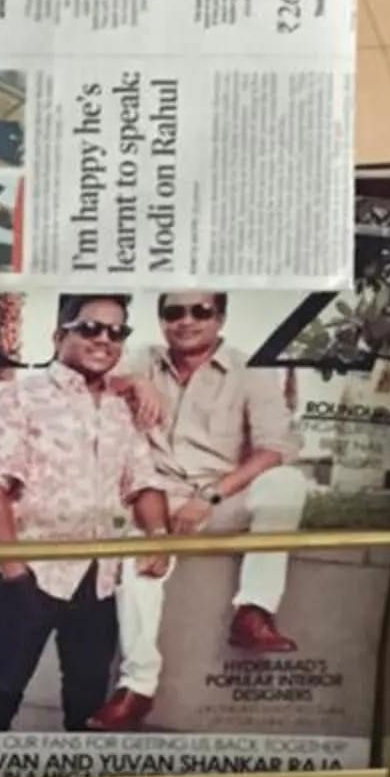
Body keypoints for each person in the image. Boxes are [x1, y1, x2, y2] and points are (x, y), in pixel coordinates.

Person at [94, 290, 310, 730]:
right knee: (137, 562)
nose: (186, 321)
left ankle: (253, 612)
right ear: (161, 320)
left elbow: (277, 446)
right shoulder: (142, 359)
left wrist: (211, 494)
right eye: (173, 312)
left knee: (287, 483)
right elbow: (89, 375)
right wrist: (136, 382)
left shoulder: (249, 370)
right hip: (155, 500)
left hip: (220, 500)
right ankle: (137, 688)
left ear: (221, 318)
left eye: (200, 311)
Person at [0, 297, 172, 735]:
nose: (104, 339)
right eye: (90, 328)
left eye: (116, 332)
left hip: (97, 583)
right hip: (32, 578)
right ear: (60, 336)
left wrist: (158, 535)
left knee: (89, 705)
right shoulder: (18, 396)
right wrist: (15, 573)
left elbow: (145, 483)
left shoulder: (121, 408)